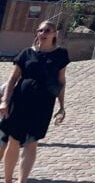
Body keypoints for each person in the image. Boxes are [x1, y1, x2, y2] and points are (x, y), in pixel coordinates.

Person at [0, 20, 69, 183]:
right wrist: (4, 101)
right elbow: (12, 79)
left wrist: (62, 106)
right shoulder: (26, 53)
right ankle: (8, 180)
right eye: (41, 30)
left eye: (48, 30)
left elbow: (61, 81)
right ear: (36, 33)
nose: (43, 33)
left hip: (43, 104)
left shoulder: (61, 55)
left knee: (32, 141)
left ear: (54, 34)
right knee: (13, 140)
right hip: (20, 100)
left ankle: (22, 181)